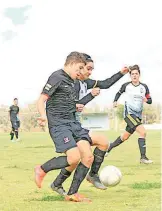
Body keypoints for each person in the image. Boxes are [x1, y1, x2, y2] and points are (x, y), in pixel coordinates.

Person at [34, 52, 129, 202]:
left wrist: (78, 105)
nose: (82, 71)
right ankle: (42, 169)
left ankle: (75, 190)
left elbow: (68, 100)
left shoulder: (74, 80)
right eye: (81, 68)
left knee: (96, 148)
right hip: (60, 125)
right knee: (74, 157)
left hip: (73, 123)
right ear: (72, 64)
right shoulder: (57, 77)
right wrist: (43, 115)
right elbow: (41, 99)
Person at [105, 65, 153, 164]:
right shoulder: (126, 85)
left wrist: (146, 100)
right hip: (129, 115)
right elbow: (118, 93)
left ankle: (109, 147)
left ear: (139, 75)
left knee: (124, 137)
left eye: (136, 74)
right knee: (143, 132)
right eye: (132, 74)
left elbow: (150, 100)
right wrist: (115, 101)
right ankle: (143, 158)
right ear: (130, 76)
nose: (134, 76)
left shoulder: (144, 87)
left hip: (138, 116)